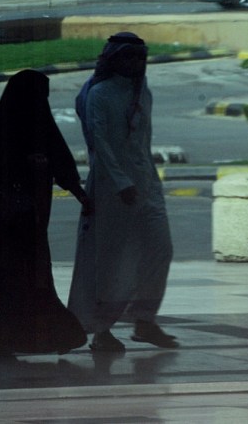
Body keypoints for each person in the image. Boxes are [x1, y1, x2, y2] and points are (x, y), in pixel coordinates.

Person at [0, 69, 89, 357]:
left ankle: (16, 339)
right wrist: (26, 163)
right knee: (16, 277)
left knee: (22, 277)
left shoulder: (37, 123)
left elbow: (61, 159)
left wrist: (78, 192)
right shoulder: (7, 122)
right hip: (14, 216)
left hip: (30, 217)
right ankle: (5, 340)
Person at [68, 32, 178, 352]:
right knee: (111, 260)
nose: (137, 64)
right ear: (113, 59)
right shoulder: (98, 94)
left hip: (146, 184)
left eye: (141, 57)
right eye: (129, 57)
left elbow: (142, 143)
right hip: (111, 188)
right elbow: (99, 144)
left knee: (161, 248)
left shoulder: (143, 93)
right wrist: (121, 183)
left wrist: (147, 182)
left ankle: (144, 320)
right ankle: (101, 330)